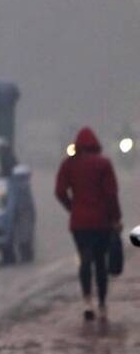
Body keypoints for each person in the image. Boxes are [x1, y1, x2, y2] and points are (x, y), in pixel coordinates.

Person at [55, 127, 122, 322]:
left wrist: (72, 207)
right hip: (102, 221)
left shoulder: (69, 165)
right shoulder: (104, 164)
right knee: (100, 262)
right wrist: (116, 218)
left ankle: (86, 301)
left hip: (79, 222)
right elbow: (111, 195)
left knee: (84, 259)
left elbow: (59, 191)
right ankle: (101, 303)